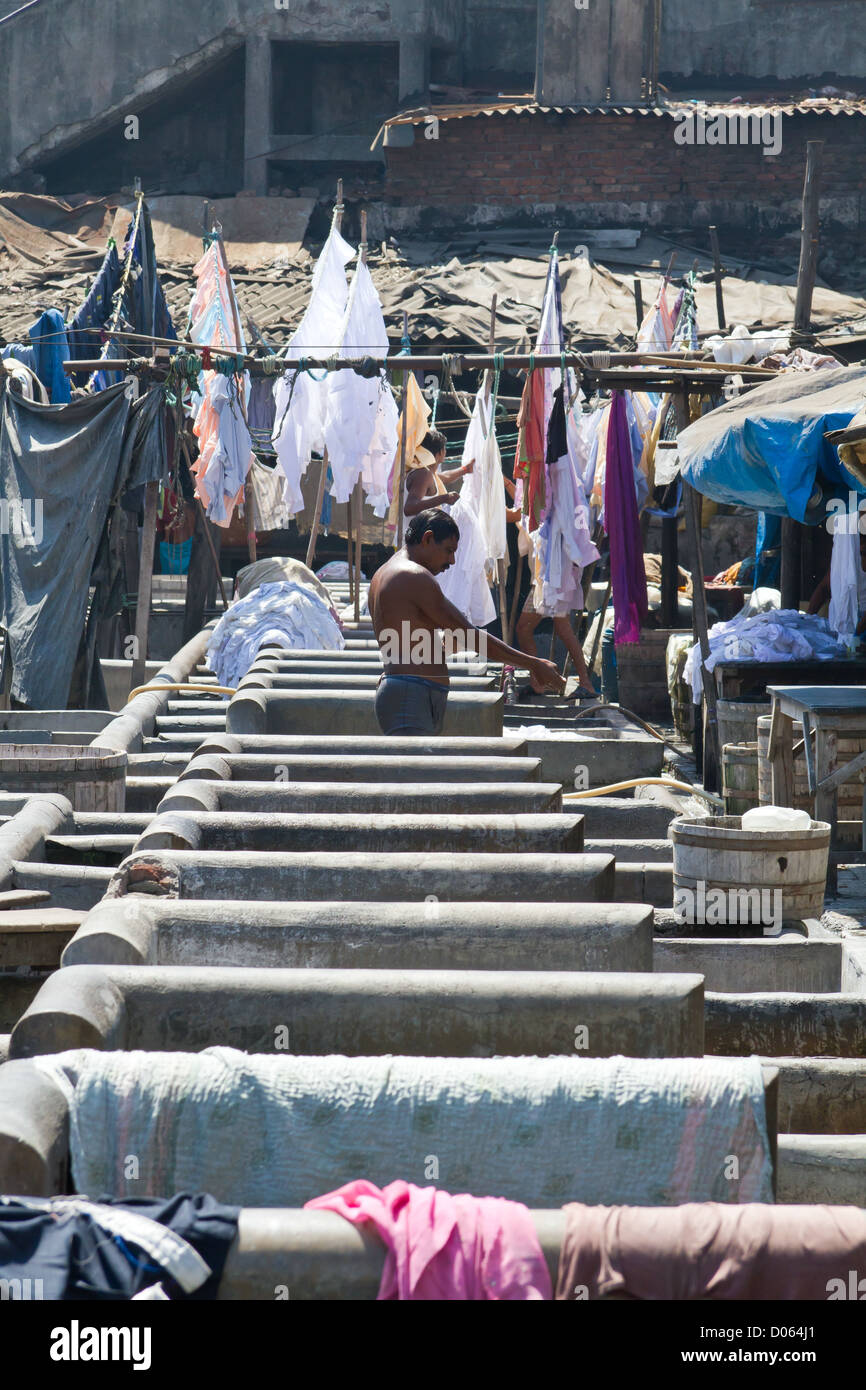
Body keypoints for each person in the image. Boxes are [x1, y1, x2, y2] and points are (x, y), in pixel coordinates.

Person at [370, 507, 564, 735]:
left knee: (419, 769)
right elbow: (470, 635)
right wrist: (534, 664)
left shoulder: (386, 572)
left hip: (409, 693)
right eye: (448, 551)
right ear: (428, 538)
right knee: (415, 769)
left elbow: (412, 636)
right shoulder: (411, 576)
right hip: (410, 696)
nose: (451, 560)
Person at [502, 475, 596, 698]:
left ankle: (583, 683)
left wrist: (489, 495)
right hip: (549, 576)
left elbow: (516, 513)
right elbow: (524, 508)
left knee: (547, 628)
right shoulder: (555, 494)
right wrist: (504, 481)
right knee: (535, 628)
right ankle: (541, 682)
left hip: (555, 575)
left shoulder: (555, 495)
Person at [404, 429, 474, 518]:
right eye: (444, 448)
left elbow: (445, 476)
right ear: (440, 452)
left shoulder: (424, 472)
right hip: (416, 531)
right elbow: (409, 508)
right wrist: (444, 498)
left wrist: (465, 469)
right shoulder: (423, 474)